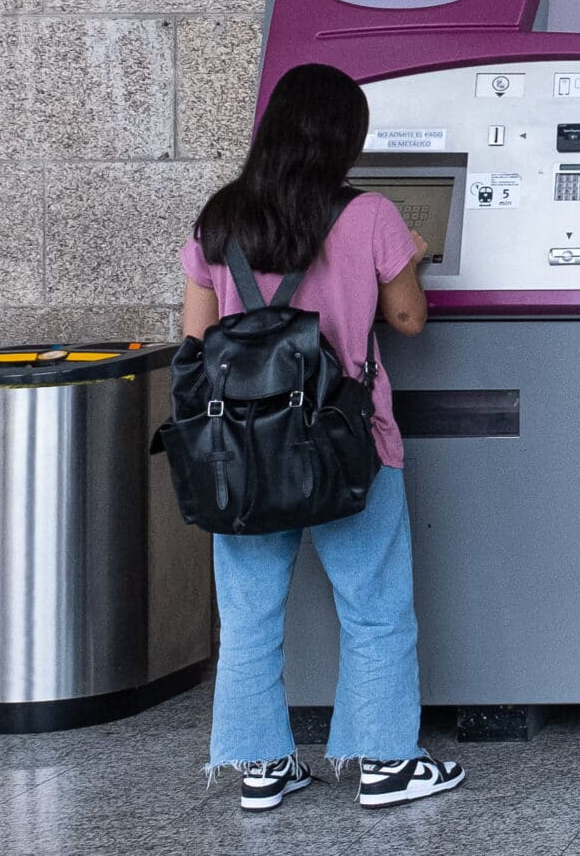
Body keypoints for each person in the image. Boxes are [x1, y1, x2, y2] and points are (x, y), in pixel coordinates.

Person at [181, 62, 466, 810]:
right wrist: (412, 252)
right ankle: (386, 765)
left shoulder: (218, 220)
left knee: (246, 615)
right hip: (347, 439)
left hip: (241, 449)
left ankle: (263, 769)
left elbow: (195, 337)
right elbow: (407, 319)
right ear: (343, 136)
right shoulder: (367, 213)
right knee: (373, 602)